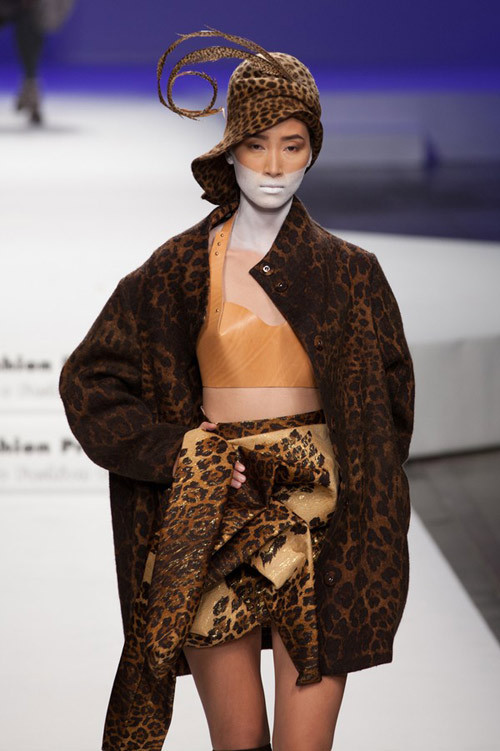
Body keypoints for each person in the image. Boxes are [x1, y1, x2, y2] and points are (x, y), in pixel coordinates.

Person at [59, 28, 415, 751]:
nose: (275, 166)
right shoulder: (180, 268)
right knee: (240, 739)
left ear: (313, 149)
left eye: (292, 144)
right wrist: (178, 452)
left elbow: (392, 406)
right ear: (230, 150)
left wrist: (363, 494)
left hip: (323, 518)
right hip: (218, 513)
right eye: (257, 145)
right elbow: (90, 380)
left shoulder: (352, 273)